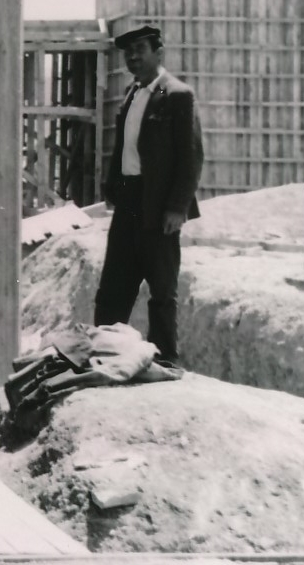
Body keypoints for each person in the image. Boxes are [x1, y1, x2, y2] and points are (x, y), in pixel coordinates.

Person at [94, 25, 204, 366]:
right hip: (128, 202)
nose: (133, 57)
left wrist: (176, 207)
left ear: (159, 52)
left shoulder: (177, 95)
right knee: (114, 287)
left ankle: (165, 361)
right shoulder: (131, 93)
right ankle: (104, 353)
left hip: (158, 205)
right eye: (128, 52)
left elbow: (191, 157)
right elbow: (123, 148)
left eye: (140, 49)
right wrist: (112, 188)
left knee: (161, 291)